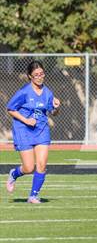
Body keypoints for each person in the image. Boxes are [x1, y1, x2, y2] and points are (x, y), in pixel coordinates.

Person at [6, 61, 60, 204]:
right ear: (30, 76)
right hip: (23, 130)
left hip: (41, 130)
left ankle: (33, 196)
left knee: (41, 164)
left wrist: (56, 107)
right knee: (29, 167)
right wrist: (26, 120)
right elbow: (11, 109)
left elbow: (53, 112)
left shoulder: (48, 93)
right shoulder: (24, 92)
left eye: (41, 74)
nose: (39, 77)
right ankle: (14, 173)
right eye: (36, 75)